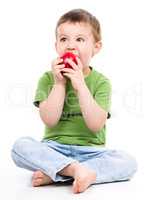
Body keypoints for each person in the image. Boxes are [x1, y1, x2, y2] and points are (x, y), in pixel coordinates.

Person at [11, 9, 137, 194]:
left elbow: (95, 125)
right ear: (56, 46)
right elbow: (49, 120)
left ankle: (57, 172)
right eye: (64, 39)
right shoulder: (48, 79)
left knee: (128, 163)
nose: (70, 46)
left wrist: (80, 85)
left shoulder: (101, 82)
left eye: (79, 39)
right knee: (20, 146)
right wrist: (59, 83)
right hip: (53, 148)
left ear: (96, 47)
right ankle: (75, 171)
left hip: (91, 152)